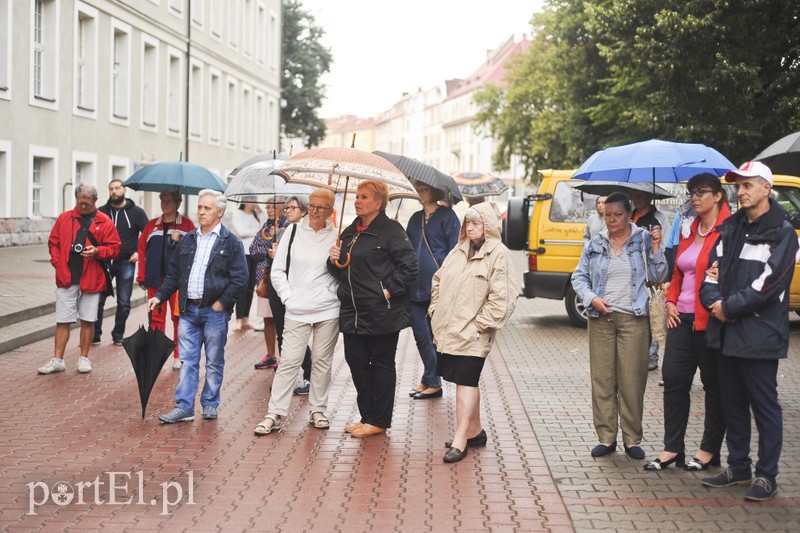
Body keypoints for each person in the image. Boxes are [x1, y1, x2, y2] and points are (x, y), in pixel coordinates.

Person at [699, 161, 798, 501]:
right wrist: (715, 301)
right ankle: (738, 467)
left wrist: (728, 307)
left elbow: (770, 285)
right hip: (726, 335)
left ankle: (766, 475)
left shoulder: (783, 232)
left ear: (766, 189)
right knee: (733, 405)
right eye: (738, 186)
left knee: (765, 407)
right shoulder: (730, 227)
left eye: (748, 186)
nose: (741, 192)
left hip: (759, 335)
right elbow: (710, 274)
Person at [571, 192, 667, 460]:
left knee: (632, 382)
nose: (612, 220)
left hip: (634, 319)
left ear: (629, 214)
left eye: (618, 215)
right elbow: (578, 277)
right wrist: (592, 299)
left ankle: (632, 439)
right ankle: (606, 437)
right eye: (607, 215)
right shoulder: (595, 243)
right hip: (601, 319)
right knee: (602, 381)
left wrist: (657, 249)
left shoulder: (644, 239)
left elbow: (660, 276)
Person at [644, 173, 730, 472]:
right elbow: (678, 274)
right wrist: (669, 301)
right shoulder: (689, 229)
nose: (694, 197)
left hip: (711, 320)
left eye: (701, 192)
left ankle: (709, 450)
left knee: (713, 385)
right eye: (691, 192)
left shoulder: (728, 231)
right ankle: (672, 448)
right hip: (679, 318)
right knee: (674, 380)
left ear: (718, 196)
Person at [149, 189, 248, 423]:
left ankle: (210, 404)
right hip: (187, 311)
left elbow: (241, 279)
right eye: (200, 207)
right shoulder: (188, 239)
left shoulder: (231, 242)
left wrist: (222, 303)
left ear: (220, 212)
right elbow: (174, 275)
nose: (201, 212)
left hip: (214, 314)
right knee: (187, 361)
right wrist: (160, 297)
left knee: (214, 361)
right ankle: (184, 406)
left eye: (207, 208)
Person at [328, 180, 418, 438]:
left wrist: (387, 290)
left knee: (380, 364)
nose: (357, 200)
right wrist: (333, 259)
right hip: (352, 312)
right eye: (356, 196)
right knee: (356, 363)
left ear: (378, 203)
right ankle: (366, 415)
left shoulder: (391, 230)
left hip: (381, 311)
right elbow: (341, 269)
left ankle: (379, 420)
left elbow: (410, 267)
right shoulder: (349, 231)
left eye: (364, 197)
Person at [430, 203, 518, 463]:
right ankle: (475, 431)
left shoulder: (498, 255)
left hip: (473, 333)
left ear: (488, 226)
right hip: (450, 330)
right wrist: (435, 309)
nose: (470, 228)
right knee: (462, 380)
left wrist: (480, 325)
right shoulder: (458, 250)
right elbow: (438, 280)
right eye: (467, 223)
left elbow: (503, 297)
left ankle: (460, 439)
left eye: (476, 224)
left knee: (465, 382)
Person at [253, 189, 340, 435]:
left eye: (321, 208)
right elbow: (278, 271)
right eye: (312, 205)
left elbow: (342, 274)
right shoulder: (291, 232)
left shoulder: (337, 236)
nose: (314, 211)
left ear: (330, 211)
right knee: (289, 362)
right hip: (297, 309)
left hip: (328, 309)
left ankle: (318, 410)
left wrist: (339, 261)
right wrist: (289, 298)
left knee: (322, 362)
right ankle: (275, 413)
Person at [37, 183, 121, 375]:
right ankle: (58, 359)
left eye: (87, 204)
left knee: (87, 320)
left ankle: (84, 358)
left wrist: (98, 251)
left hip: (92, 278)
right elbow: (54, 242)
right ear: (76, 198)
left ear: (95, 201)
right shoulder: (65, 218)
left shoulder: (104, 221)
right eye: (80, 203)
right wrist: (58, 264)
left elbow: (115, 248)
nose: (83, 207)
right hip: (67, 277)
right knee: (62, 320)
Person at [405, 182, 461, 400]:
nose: (419, 192)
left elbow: (456, 250)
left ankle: (432, 380)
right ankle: (431, 378)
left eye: (424, 188)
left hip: (438, 286)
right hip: (414, 285)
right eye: (417, 188)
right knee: (421, 334)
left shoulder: (448, 217)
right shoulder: (414, 218)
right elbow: (406, 246)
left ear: (435, 191)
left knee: (435, 336)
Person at [137, 190, 196, 370]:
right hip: (154, 281)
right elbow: (141, 250)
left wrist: (181, 239)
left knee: (178, 318)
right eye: (162, 200)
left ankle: (178, 356)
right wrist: (141, 276)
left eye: (169, 201)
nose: (165, 204)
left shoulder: (186, 224)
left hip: (177, 282)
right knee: (155, 319)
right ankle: (158, 354)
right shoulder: (151, 225)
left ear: (178, 203)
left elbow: (195, 247)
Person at [265, 196, 314, 394]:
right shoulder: (279, 231)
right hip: (277, 288)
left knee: (295, 335)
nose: (287, 211)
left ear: (303, 211)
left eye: (292, 207)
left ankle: (309, 374)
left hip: (295, 290)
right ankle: (286, 379)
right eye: (286, 208)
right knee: (282, 335)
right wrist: (272, 257)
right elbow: (256, 250)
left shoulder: (308, 234)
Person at [93, 178, 148, 345]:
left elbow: (147, 236)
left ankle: (118, 334)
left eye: (118, 188)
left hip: (126, 262)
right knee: (98, 300)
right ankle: (95, 334)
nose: (114, 192)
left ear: (124, 190)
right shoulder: (101, 212)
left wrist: (139, 252)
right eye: (111, 189)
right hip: (104, 262)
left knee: (124, 302)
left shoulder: (137, 212)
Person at [631, 189, 670, 371]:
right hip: (633, 271)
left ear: (649, 196)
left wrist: (656, 244)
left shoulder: (659, 218)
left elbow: (666, 244)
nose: (636, 199)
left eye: (639, 195)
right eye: (634, 196)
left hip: (651, 271)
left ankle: (652, 355)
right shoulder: (630, 215)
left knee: (653, 312)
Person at [250, 202, 288, 370]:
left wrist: (278, 238)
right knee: (268, 319)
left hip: (282, 281)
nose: (270, 209)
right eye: (268, 207)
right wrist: (267, 252)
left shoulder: (288, 227)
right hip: (265, 280)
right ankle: (271, 355)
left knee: (283, 321)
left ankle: (285, 358)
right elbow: (253, 249)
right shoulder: (264, 228)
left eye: (273, 206)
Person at [231, 202, 263, 331]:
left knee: (251, 286)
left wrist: (260, 211)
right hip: (242, 252)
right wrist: (259, 231)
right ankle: (238, 319)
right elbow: (241, 232)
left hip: (255, 253)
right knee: (242, 285)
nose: (253, 200)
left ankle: (246, 318)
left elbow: (266, 225)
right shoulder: (237, 214)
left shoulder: (256, 214)